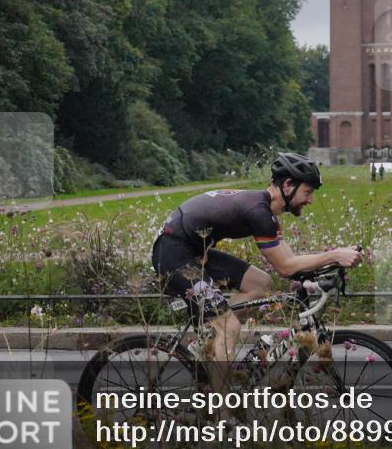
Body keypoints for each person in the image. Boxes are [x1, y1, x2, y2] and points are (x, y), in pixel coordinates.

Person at [151, 152, 363, 409]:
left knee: (260, 283)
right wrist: (335, 254)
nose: (310, 200)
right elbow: (286, 268)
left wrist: (330, 263)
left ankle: (213, 343)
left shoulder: (267, 213)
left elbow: (290, 260)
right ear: (287, 186)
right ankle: (221, 416)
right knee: (228, 326)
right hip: (173, 255)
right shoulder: (259, 212)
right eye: (307, 192)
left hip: (192, 252)